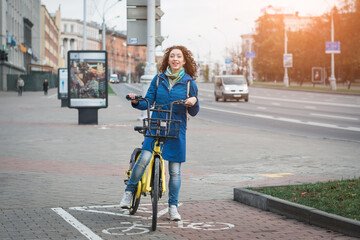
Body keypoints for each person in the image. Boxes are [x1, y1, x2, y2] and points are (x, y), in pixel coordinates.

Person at [120, 45, 199, 221]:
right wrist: (135, 101)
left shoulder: (188, 83)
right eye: (172, 56)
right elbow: (147, 102)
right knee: (145, 158)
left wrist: (193, 101)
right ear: (168, 60)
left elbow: (194, 111)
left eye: (179, 56)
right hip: (155, 125)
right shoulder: (158, 79)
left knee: (175, 170)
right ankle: (128, 192)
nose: (175, 59)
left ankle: (173, 208)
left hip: (177, 128)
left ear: (184, 60)